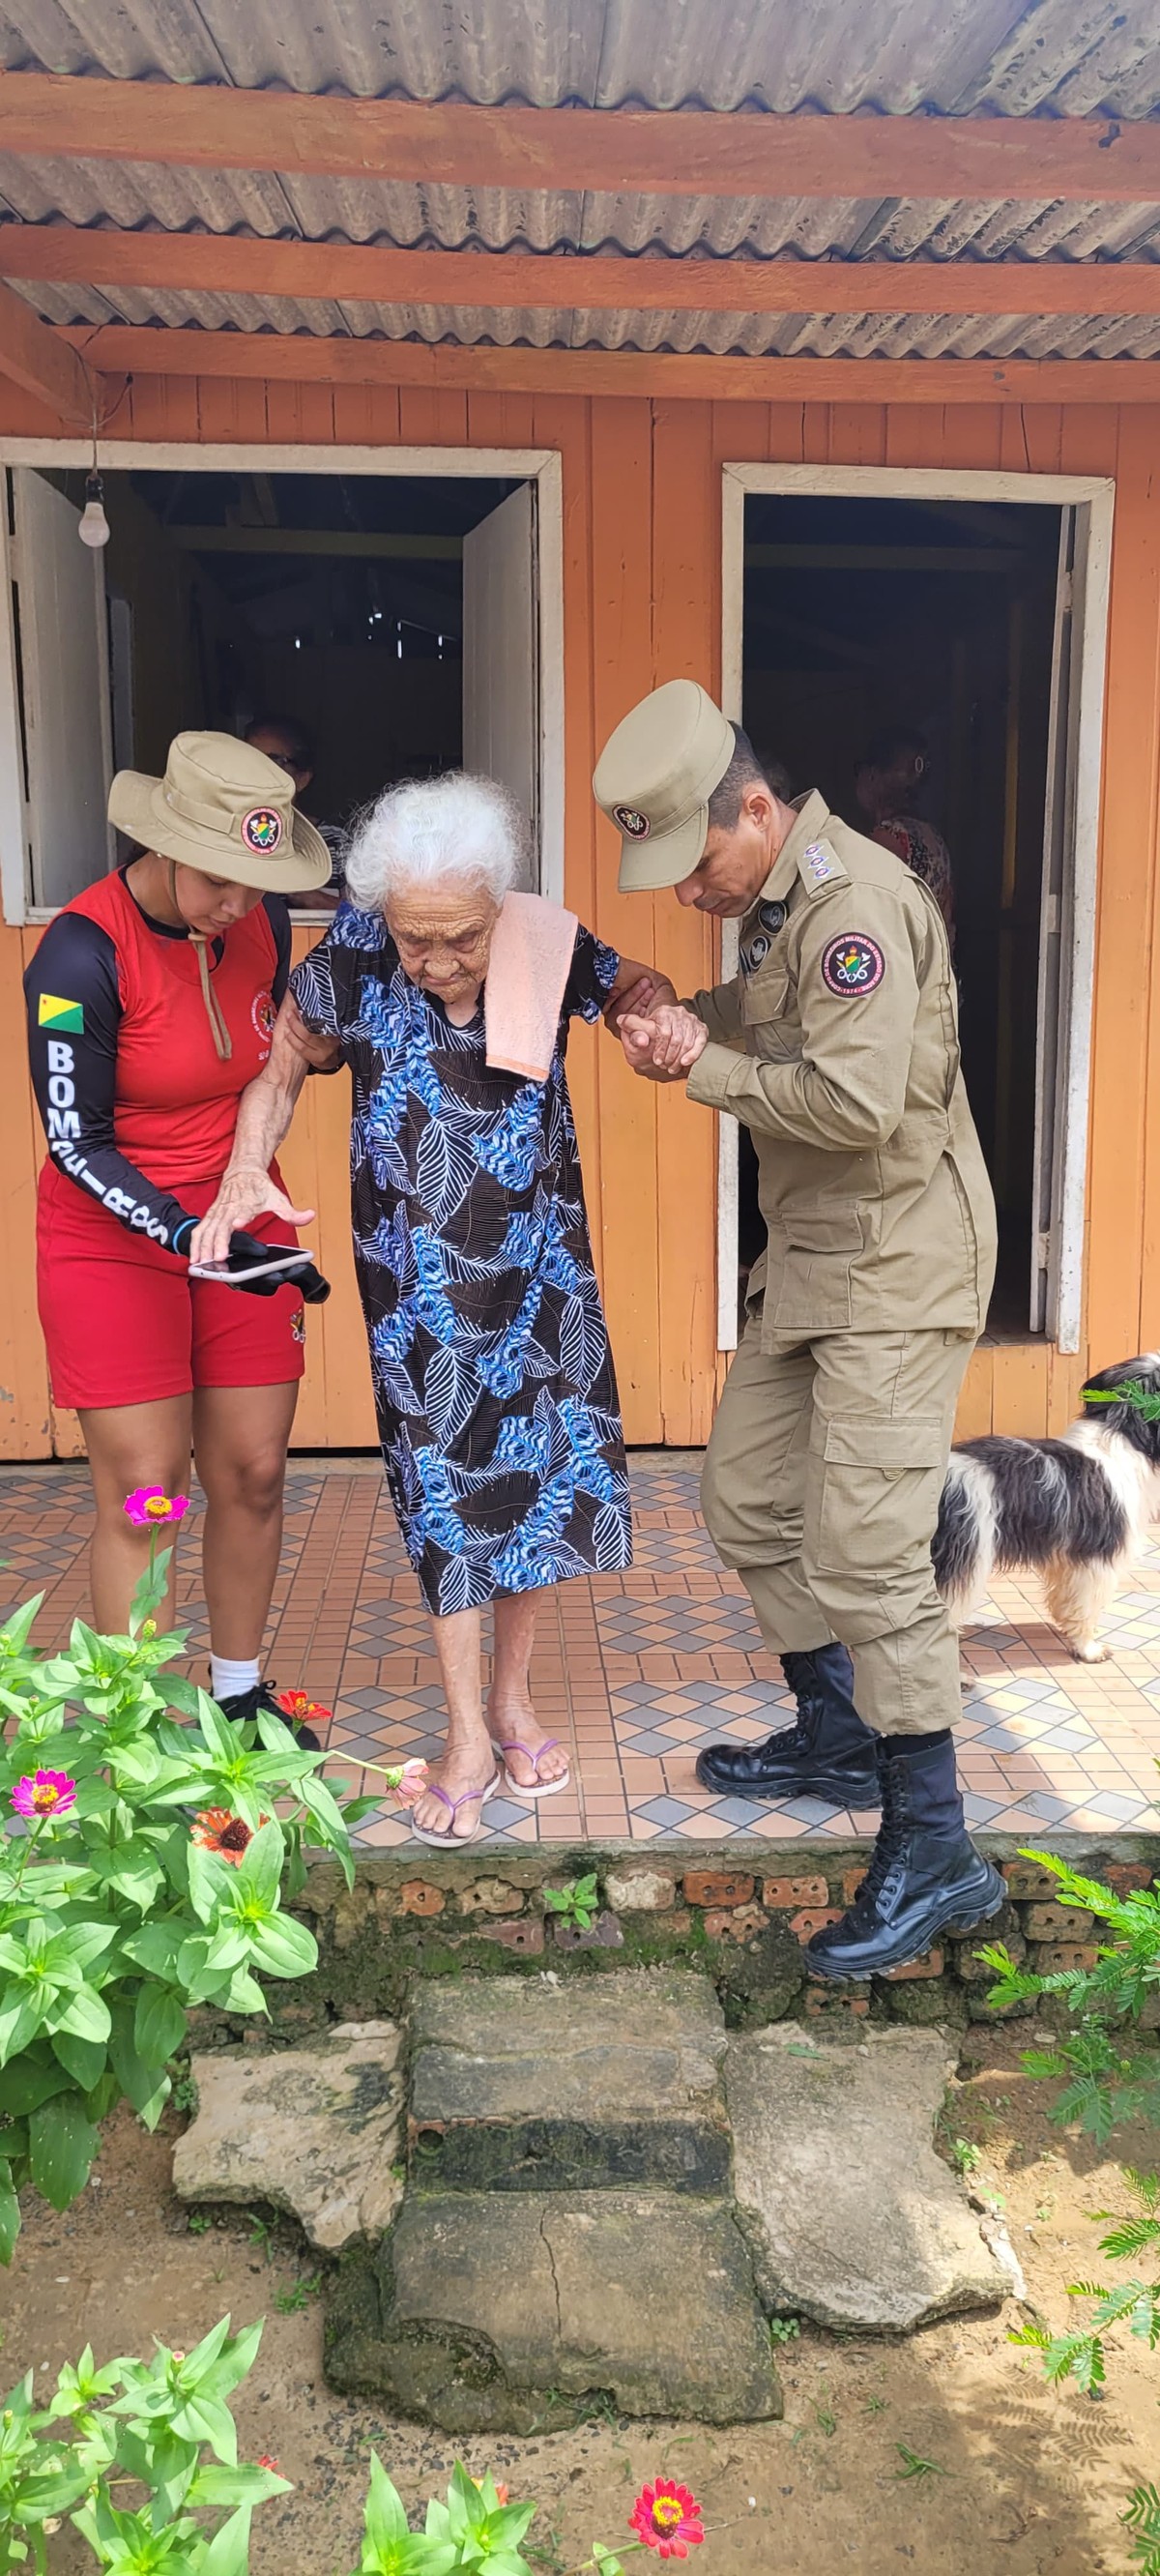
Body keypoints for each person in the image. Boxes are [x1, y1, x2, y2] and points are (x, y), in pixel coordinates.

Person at [593, 681, 1003, 1979]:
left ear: (755, 809)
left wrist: (692, 1068)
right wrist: (682, 1018)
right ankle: (836, 1734)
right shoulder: (786, 906)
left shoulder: (857, 905)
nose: (687, 894)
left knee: (872, 1552)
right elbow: (774, 1022)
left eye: (694, 861)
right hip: (820, 1262)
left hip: (897, 1265)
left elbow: (859, 1102)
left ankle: (936, 1843)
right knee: (752, 1502)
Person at [189, 772, 673, 1847]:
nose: (438, 960)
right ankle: (465, 1732)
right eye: (418, 939)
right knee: (446, 1490)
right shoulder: (358, 955)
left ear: (500, 905)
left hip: (541, 1268)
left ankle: (513, 1700)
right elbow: (281, 1069)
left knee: (536, 1481)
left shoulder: (548, 941)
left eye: (460, 936)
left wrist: (656, 1018)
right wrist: (242, 1172)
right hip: (416, 1284)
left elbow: (635, 986)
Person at [24, 730, 333, 1743]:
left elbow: (270, 1069)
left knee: (252, 1470)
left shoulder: (262, 921)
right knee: (147, 1493)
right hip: (115, 1237)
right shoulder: (78, 952)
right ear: (162, 846)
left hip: (237, 1221)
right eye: (220, 881)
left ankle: (237, 1693)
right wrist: (189, 1232)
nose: (240, 904)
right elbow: (76, 1144)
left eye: (259, 882)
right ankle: (143, 1731)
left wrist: (240, 1210)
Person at [855, 725, 955, 949]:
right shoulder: (933, 838)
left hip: (898, 967)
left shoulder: (886, 838)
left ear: (871, 775)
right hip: (930, 967)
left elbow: (870, 916)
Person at [245, 713, 343, 913]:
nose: (258, 770)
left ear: (302, 779)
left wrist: (319, 901)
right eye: (249, 759)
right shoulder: (223, 832)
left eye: (272, 761)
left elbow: (368, 920)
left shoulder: (335, 841)